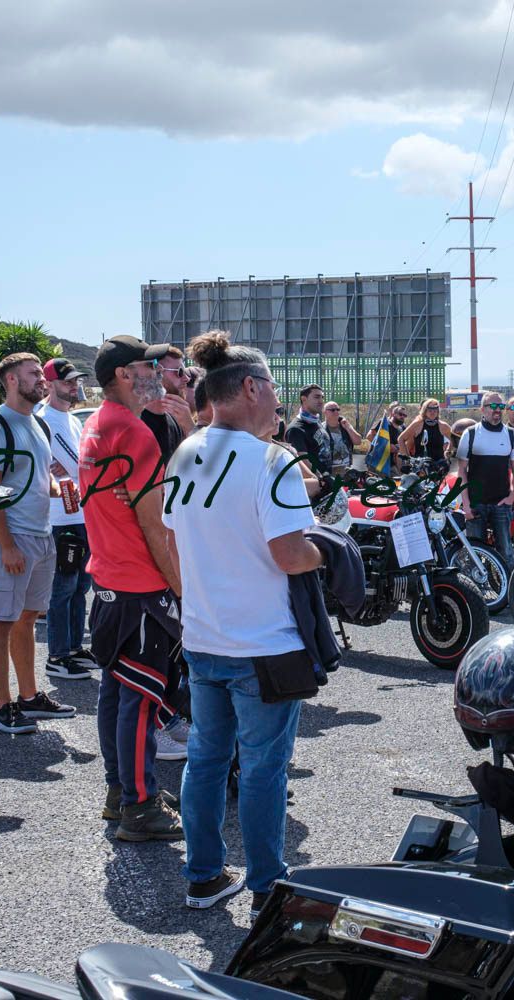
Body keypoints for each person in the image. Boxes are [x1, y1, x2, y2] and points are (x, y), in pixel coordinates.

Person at [163, 331, 322, 916]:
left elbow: (175, 549)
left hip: (204, 638)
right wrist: (326, 552)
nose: (278, 401)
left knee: (205, 761)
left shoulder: (185, 452)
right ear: (251, 388)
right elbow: (290, 554)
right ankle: (266, 890)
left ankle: (203, 876)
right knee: (262, 771)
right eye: (274, 388)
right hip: (266, 645)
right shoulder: (273, 461)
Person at [80, 335, 186, 841]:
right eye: (149, 364)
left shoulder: (97, 425)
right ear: (124, 374)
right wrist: (182, 589)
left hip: (107, 579)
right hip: (139, 582)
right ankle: (139, 807)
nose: (158, 371)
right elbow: (154, 524)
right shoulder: (135, 433)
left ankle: (121, 790)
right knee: (140, 697)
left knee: (116, 691)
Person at [0, 353, 73, 734]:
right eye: (33, 374)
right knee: (1, 620)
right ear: (11, 380)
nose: (41, 380)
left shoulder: (35, 425)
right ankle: (3, 706)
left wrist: (60, 489)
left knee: (27, 618)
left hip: (40, 535)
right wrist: (7, 544)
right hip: (11, 538)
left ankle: (29, 697)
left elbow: (30, 479)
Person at [35, 358, 97, 681]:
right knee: (64, 587)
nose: (74, 386)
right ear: (49, 384)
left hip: (81, 514)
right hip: (61, 520)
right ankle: (58, 655)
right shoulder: (44, 419)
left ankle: (73, 648)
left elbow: (80, 464)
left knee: (80, 585)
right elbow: (80, 466)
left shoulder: (71, 420)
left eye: (75, 381)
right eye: (67, 381)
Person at [456, 392, 514, 568]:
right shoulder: (470, 434)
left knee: (506, 552)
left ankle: (510, 591)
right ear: (482, 409)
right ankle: (474, 593)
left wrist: (511, 497)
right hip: (476, 505)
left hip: (501, 504)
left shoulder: (511, 434)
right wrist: (466, 505)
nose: (497, 410)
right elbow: (461, 471)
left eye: (500, 407)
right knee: (475, 555)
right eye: (493, 407)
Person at [142, 345, 193, 463]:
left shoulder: (175, 419)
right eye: (179, 372)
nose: (186, 378)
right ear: (157, 372)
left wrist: (190, 428)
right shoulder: (138, 423)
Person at [283, 383, 331, 475]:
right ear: (304, 399)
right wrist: (322, 479)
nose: (321, 401)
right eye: (317, 397)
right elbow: (303, 462)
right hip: (316, 485)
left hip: (328, 482)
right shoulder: (296, 429)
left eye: (322, 397)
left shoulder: (316, 421)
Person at [399, 398, 446, 463]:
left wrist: (448, 452)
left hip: (439, 466)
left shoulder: (443, 425)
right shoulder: (417, 424)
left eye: (435, 410)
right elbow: (402, 440)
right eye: (429, 410)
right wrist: (408, 461)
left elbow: (453, 439)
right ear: (424, 410)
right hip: (421, 467)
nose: (432, 412)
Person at [321, 400, 360, 476]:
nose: (336, 412)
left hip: (346, 469)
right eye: (332, 410)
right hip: (328, 470)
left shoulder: (345, 426)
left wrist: (348, 427)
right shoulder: (321, 429)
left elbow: (358, 441)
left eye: (337, 409)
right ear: (325, 412)